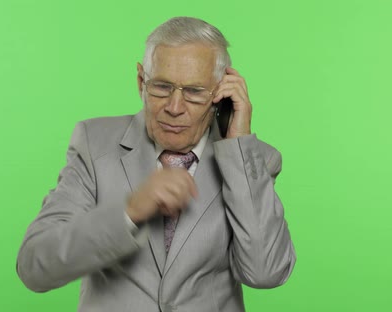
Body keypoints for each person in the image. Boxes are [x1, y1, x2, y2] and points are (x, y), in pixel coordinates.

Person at [16, 16, 296, 312]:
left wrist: (238, 144)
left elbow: (267, 272)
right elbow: (35, 266)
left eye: (194, 92)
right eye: (161, 87)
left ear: (220, 93)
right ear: (141, 81)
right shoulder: (93, 144)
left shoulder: (254, 159)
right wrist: (129, 212)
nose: (174, 108)